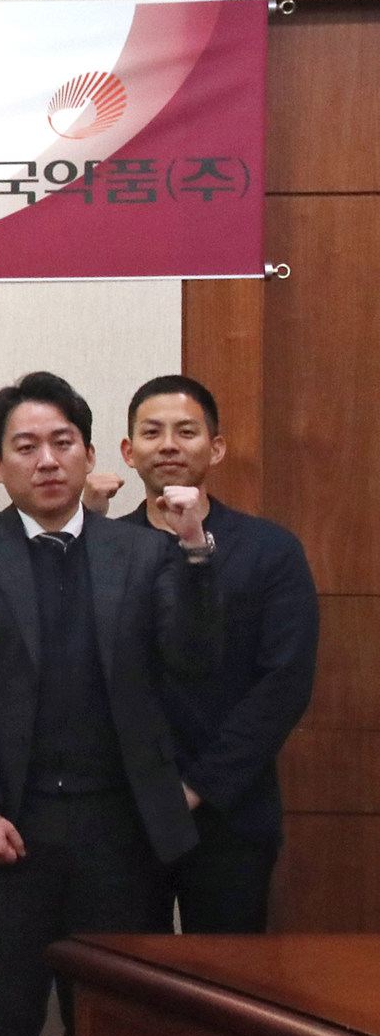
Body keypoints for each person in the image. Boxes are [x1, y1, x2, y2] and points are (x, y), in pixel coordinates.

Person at [0, 371, 217, 1036]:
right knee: (2, 1030)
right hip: (10, 824)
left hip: (119, 829)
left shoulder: (143, 552)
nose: (48, 460)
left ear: (90, 455)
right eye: (26, 446)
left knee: (109, 1029)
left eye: (63, 443)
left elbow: (191, 663)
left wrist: (193, 550)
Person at [97, 375, 316, 932]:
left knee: (224, 975)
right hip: (124, 811)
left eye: (186, 431)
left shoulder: (270, 549)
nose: (168, 445)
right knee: (122, 974)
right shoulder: (103, 548)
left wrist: (197, 788)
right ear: (129, 451)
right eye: (152, 432)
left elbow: (285, 684)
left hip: (231, 809)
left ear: (215, 448)